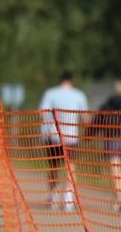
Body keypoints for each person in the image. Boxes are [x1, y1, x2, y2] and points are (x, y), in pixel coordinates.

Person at [38, 70, 88, 213]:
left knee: (53, 166)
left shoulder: (50, 93)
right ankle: (68, 200)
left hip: (53, 137)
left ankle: (52, 197)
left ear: (61, 80)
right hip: (71, 138)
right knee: (70, 168)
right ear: (72, 81)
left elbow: (42, 113)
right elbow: (85, 118)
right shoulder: (79, 95)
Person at [93, 80, 121, 213]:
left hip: (112, 139)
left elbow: (97, 123)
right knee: (118, 169)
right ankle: (120, 196)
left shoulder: (106, 106)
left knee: (114, 169)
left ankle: (119, 197)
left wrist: (89, 135)